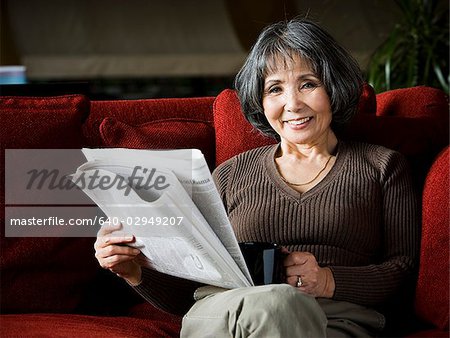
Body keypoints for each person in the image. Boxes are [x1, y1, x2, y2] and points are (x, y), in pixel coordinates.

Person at [94, 18, 419, 337]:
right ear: (261, 103)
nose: (292, 104)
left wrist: (326, 280)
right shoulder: (230, 175)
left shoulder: (381, 167)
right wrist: (135, 271)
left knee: (279, 305)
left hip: (330, 321)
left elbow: (403, 269)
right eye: (275, 89)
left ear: (333, 88)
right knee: (257, 307)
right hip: (225, 315)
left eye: (308, 84)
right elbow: (189, 296)